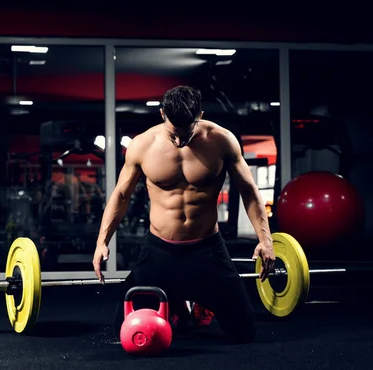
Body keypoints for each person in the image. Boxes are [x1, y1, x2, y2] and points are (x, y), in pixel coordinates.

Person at [92, 86, 275, 344]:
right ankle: (179, 303)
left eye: (186, 135)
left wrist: (265, 240)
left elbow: (249, 191)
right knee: (123, 331)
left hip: (207, 249)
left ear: (199, 115)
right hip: (159, 250)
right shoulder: (143, 145)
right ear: (162, 114)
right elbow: (121, 195)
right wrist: (102, 242)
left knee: (243, 333)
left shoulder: (222, 141)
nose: (179, 142)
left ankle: (200, 300)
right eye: (173, 135)